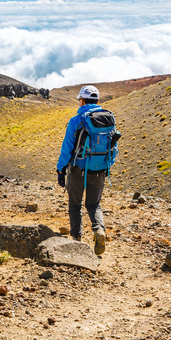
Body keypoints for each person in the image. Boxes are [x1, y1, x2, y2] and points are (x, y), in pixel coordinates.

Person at [56, 85, 117, 256]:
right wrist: (106, 167)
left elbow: (67, 148)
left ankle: (77, 239)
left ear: (82, 100)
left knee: (75, 205)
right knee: (94, 204)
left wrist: (61, 170)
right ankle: (99, 231)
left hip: (78, 170)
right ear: (97, 100)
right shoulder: (108, 118)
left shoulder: (77, 120)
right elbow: (114, 148)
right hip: (99, 171)